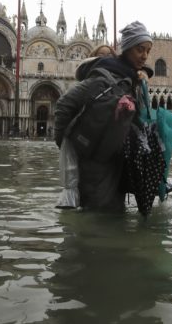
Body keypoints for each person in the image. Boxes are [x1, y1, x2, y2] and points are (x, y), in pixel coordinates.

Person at [55, 21, 153, 211]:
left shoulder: (129, 79)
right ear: (127, 48)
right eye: (140, 49)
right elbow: (63, 105)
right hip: (94, 165)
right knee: (98, 218)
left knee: (113, 216)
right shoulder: (101, 78)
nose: (145, 56)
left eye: (148, 51)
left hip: (116, 162)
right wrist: (68, 146)